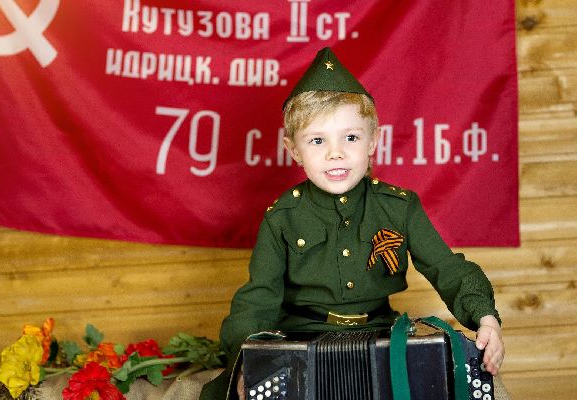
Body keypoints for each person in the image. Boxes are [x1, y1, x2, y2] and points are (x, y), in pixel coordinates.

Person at [199, 47, 504, 400]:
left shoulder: (399, 207)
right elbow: (257, 299)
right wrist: (245, 360)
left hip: (382, 333)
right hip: (299, 337)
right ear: (294, 150)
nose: (336, 153)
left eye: (351, 137)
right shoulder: (282, 216)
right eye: (317, 140)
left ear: (373, 141)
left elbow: (448, 268)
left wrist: (486, 318)